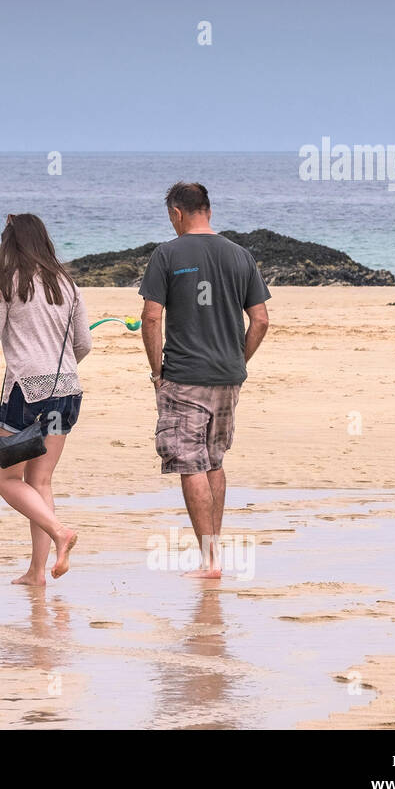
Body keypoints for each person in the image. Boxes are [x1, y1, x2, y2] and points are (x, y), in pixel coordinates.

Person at [139, 182, 270, 579]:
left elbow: (150, 317)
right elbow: (261, 320)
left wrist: (156, 372)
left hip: (184, 375)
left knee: (190, 462)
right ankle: (213, 554)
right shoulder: (240, 255)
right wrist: (237, 360)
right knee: (214, 461)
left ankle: (209, 562)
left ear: (177, 213)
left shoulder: (167, 254)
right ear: (208, 210)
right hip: (228, 377)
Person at [0, 214, 91, 584]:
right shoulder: (68, 283)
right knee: (41, 482)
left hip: (27, 394)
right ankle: (36, 572)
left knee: (4, 479)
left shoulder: (6, 282)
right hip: (67, 391)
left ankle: (59, 531)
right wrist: (59, 369)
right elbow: (84, 344)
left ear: (11, 244)